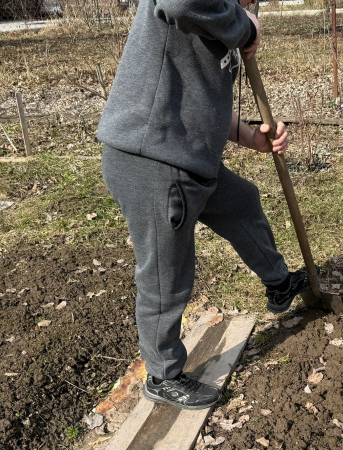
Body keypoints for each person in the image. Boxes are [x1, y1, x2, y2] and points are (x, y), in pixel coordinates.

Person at [97, 0, 311, 411]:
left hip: (188, 155)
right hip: (152, 158)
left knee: (241, 203)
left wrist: (253, 137)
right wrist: (244, 28)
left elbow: (203, 101)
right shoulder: (209, 10)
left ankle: (279, 283)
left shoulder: (217, 17)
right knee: (167, 271)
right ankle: (162, 375)